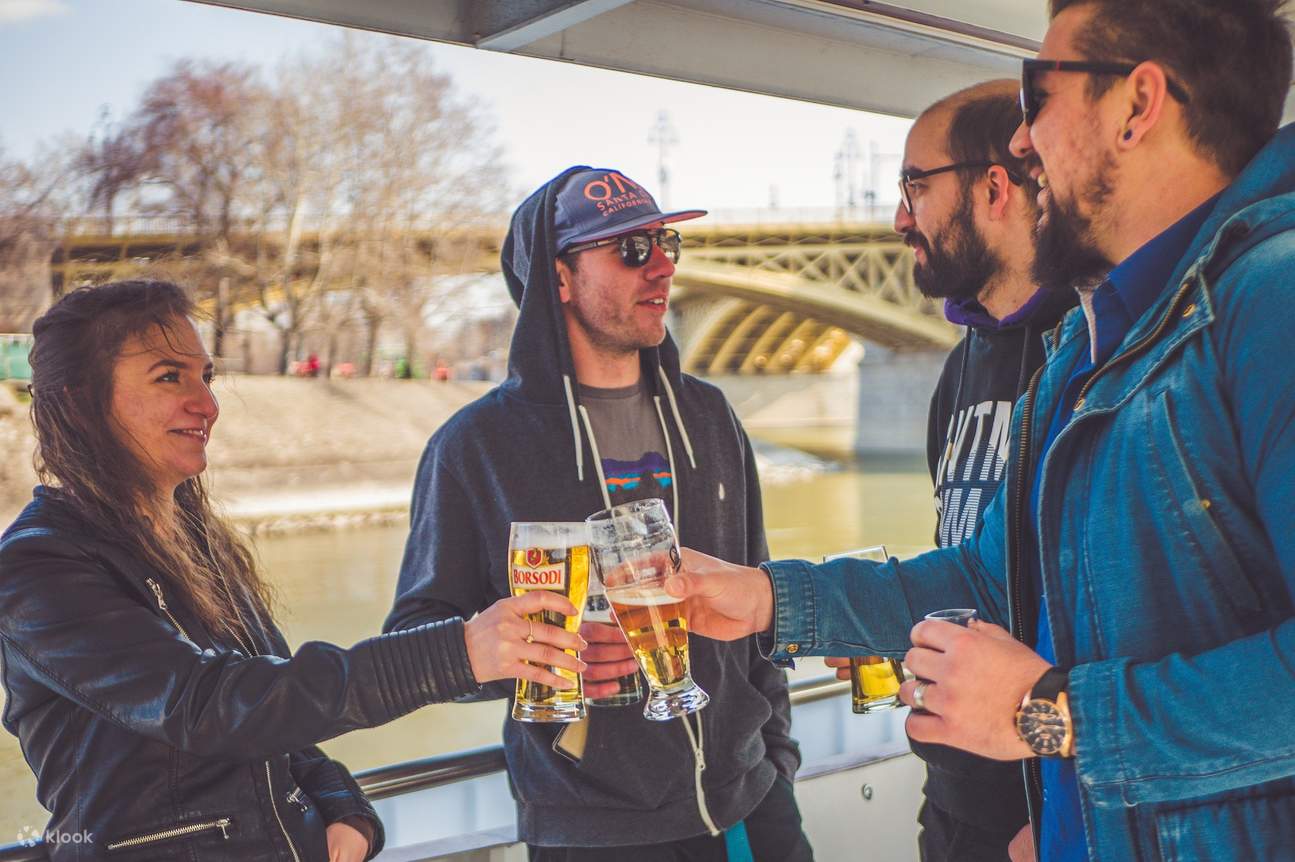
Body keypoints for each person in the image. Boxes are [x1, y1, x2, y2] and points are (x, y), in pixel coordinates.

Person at [665, 1, 1295, 861]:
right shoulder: (1086, 349)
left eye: (1038, 97)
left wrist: (1053, 712)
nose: (1023, 142)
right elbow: (993, 577)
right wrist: (768, 599)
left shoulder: (1272, 303)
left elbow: (1055, 700)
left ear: (1137, 105)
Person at [0, 280, 586, 862]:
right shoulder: (38, 567)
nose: (207, 405)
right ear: (80, 403)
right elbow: (206, 706)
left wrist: (343, 804)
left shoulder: (193, 537)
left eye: (206, 377)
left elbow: (274, 701)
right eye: (169, 376)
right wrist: (456, 653)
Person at [385, 167, 809, 861]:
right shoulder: (474, 447)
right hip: (591, 830)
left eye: (666, 243)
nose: (663, 266)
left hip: (750, 804)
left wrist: (777, 758)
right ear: (559, 279)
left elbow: (758, 591)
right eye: (632, 249)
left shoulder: (709, 416)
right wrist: (534, 660)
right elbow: (414, 635)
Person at [852, 79, 1075, 862]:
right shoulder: (961, 367)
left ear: (993, 187)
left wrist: (1064, 820)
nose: (898, 218)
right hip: (952, 796)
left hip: (1048, 807)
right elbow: (966, 563)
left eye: (914, 184)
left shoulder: (1093, 352)